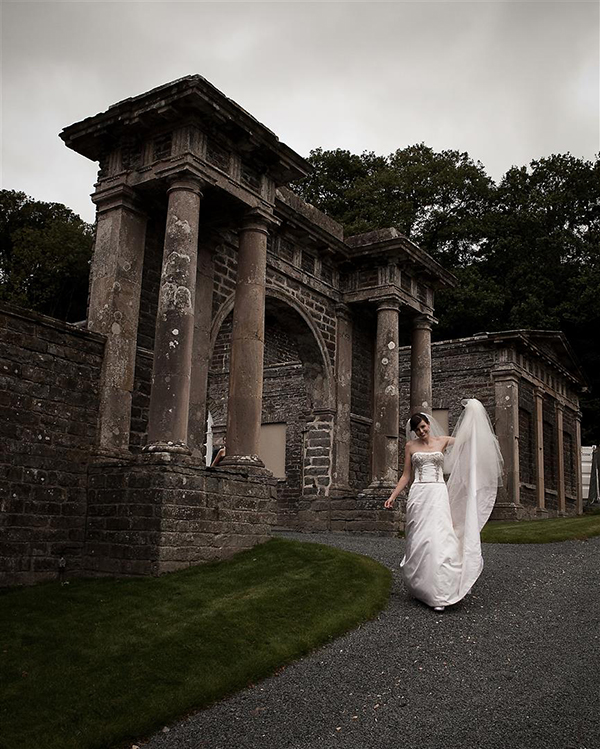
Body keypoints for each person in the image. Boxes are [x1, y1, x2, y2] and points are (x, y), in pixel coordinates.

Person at [384, 400, 503, 612]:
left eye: (423, 426)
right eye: (417, 429)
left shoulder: (443, 441)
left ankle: (440, 589)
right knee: (420, 537)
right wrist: (393, 496)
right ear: (413, 431)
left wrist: (473, 412)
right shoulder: (410, 446)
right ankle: (421, 585)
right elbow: (405, 475)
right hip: (419, 493)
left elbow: (469, 440)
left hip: (438, 493)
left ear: (428, 425)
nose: (421, 431)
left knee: (439, 536)